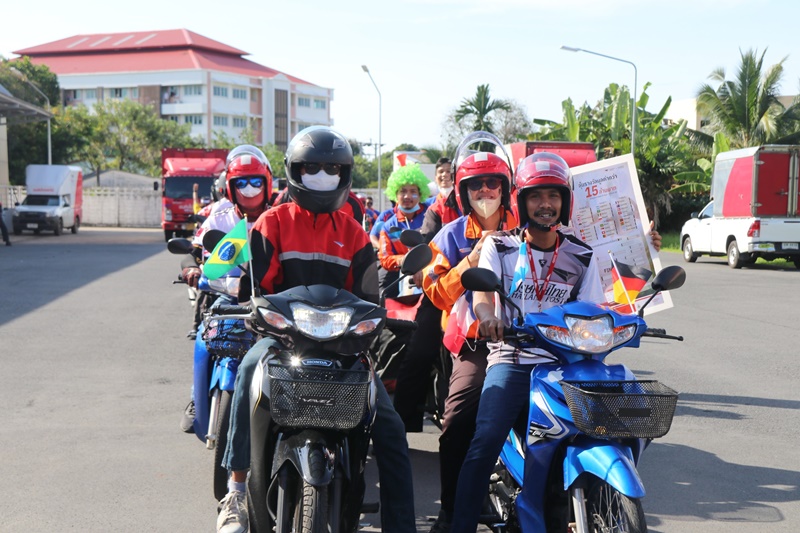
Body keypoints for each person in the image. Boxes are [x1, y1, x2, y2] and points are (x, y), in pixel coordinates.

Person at [216, 126, 416, 533]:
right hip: (282, 342)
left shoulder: (355, 233)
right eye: (312, 168)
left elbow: (368, 297)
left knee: (391, 429)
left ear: (344, 175)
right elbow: (259, 289)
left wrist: (372, 322)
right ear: (294, 171)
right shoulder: (270, 224)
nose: (321, 176)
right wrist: (257, 311)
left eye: (331, 168)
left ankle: (401, 527)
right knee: (247, 373)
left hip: (342, 349)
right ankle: (236, 492)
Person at [449, 152, 654, 532]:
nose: (546, 205)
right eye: (536, 196)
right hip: (512, 359)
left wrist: (628, 317)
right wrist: (488, 317)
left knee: (606, 426)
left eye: (554, 196)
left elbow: (591, 309)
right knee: (485, 442)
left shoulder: (581, 253)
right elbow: (482, 294)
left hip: (565, 365)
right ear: (522, 202)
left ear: (565, 201)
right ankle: (458, 525)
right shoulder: (501, 246)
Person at [420, 146, 518, 532]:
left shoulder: (528, 223)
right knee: (457, 419)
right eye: (476, 184)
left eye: (493, 183)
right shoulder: (451, 235)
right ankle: (452, 508)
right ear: (463, 191)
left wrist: (638, 246)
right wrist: (468, 263)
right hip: (478, 342)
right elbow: (435, 293)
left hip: (535, 339)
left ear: (506, 187)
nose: (485, 191)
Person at [178, 145, 272, 431]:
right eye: (241, 182)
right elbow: (195, 250)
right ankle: (197, 397)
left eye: (256, 181)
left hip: (269, 300)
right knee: (205, 341)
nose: (249, 188)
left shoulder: (280, 214)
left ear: (267, 184)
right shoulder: (219, 216)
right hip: (225, 296)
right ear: (229, 187)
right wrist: (191, 268)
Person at [377, 164, 430, 298]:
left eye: (413, 191)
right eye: (403, 191)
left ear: (420, 194)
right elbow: (385, 258)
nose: (407, 196)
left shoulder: (431, 216)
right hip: (401, 274)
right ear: (395, 194)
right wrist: (405, 261)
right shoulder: (388, 226)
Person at [420, 157, 462, 243]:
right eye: (441, 171)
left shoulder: (466, 201)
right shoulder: (427, 205)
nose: (444, 175)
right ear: (435, 177)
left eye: (448, 171)